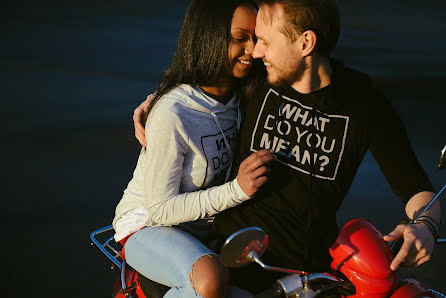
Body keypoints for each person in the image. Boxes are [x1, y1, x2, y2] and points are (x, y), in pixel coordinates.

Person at [133, 0, 441, 294]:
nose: (256, 52)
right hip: (235, 262)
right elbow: (199, 86)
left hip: (311, 274)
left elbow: (417, 188)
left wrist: (425, 226)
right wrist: (155, 103)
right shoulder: (258, 80)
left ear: (305, 43)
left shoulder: (364, 105)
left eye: (266, 41)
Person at [113, 1, 275, 297]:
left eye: (257, 38)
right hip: (146, 225)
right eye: (240, 39)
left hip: (199, 234)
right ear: (209, 37)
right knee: (210, 280)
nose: (253, 50)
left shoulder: (242, 97)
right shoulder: (174, 114)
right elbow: (160, 210)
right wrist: (238, 190)